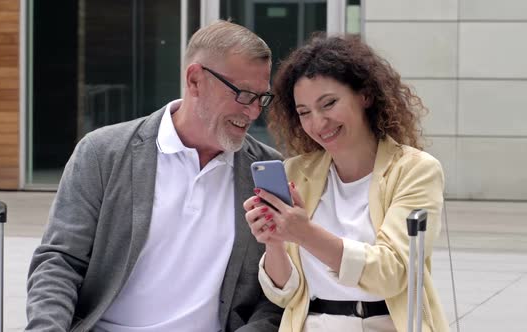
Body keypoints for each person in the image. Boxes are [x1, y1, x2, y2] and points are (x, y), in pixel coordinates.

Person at [26, 20, 283, 332]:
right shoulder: (103, 153)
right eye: (243, 94)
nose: (254, 111)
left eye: (262, 97)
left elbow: (275, 294)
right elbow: (60, 262)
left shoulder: (267, 172)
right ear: (195, 80)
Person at [243, 35, 448, 332]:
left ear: (365, 95)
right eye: (304, 113)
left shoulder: (415, 170)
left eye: (329, 104)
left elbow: (392, 273)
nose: (318, 123)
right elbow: (284, 294)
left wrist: (305, 233)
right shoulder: (296, 173)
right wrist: (275, 243)